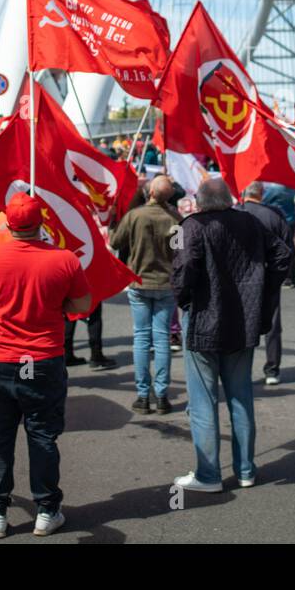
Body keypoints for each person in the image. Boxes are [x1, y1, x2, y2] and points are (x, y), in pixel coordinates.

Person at [0, 193, 91, 539]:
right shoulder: (64, 259)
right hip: (41, 360)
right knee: (42, 436)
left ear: (7, 224)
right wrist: (53, 299)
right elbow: (82, 302)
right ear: (41, 224)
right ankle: (47, 510)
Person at [170, 178, 290, 492]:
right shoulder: (248, 222)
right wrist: (264, 293)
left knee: (203, 401)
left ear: (199, 202)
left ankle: (209, 475)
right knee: (240, 398)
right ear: (228, 199)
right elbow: (283, 256)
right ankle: (246, 470)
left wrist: (184, 299)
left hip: (204, 322)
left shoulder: (191, 227)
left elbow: (183, 271)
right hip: (242, 322)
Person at [111, 175, 182, 414]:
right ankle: (161, 395)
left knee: (142, 338)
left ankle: (143, 395)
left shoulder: (135, 216)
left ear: (150, 192)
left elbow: (115, 242)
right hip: (165, 284)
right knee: (161, 339)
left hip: (140, 284)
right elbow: (180, 251)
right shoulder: (175, 220)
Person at [239, 181, 294, 386]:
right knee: (272, 324)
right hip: (268, 276)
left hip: (242, 278)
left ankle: (242, 368)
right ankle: (272, 368)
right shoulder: (274, 215)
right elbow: (287, 249)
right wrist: (279, 276)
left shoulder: (237, 213)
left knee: (243, 322)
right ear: (261, 193)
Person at [261, 182, 295, 286]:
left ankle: (280, 275)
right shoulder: (291, 188)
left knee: (276, 248)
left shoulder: (275, 188)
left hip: (278, 220)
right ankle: (291, 277)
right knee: (290, 247)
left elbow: (263, 200)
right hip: (291, 219)